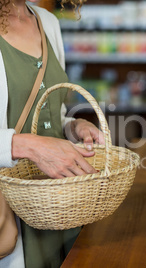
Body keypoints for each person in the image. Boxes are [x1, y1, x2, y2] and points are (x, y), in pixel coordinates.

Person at [0, 0, 105, 267]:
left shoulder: (48, 22)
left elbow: (48, 113)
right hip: (10, 215)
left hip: (61, 205)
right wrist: (27, 147)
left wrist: (72, 127)